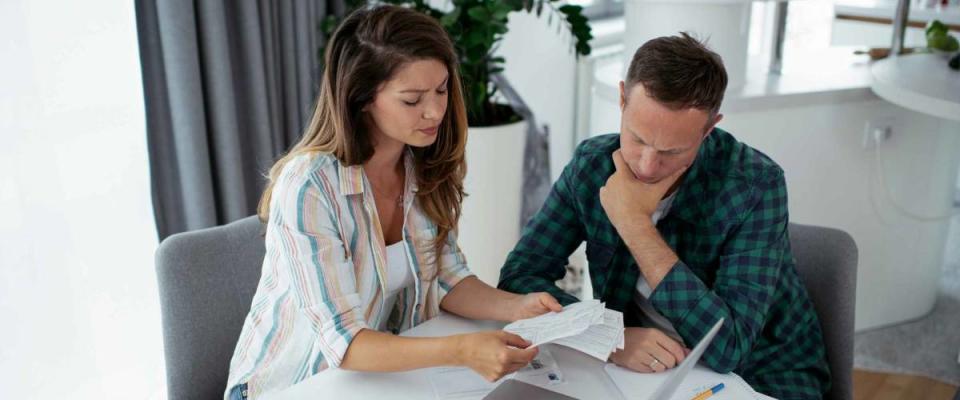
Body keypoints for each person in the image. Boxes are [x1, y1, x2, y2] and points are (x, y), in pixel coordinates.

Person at [224, 6, 562, 399]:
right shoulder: (309, 187)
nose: (435, 111)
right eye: (412, 99)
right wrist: (461, 351)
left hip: (369, 381)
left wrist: (519, 307)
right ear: (363, 98)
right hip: (293, 385)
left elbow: (447, 277)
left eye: (440, 90)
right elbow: (344, 342)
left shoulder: (422, 163)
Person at [498, 33, 831, 399]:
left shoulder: (755, 185)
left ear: (709, 128)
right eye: (637, 139)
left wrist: (634, 223)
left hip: (763, 374)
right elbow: (518, 278)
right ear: (622, 100)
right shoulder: (591, 166)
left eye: (672, 151)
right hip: (644, 372)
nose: (647, 164)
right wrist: (609, 337)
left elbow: (728, 348)